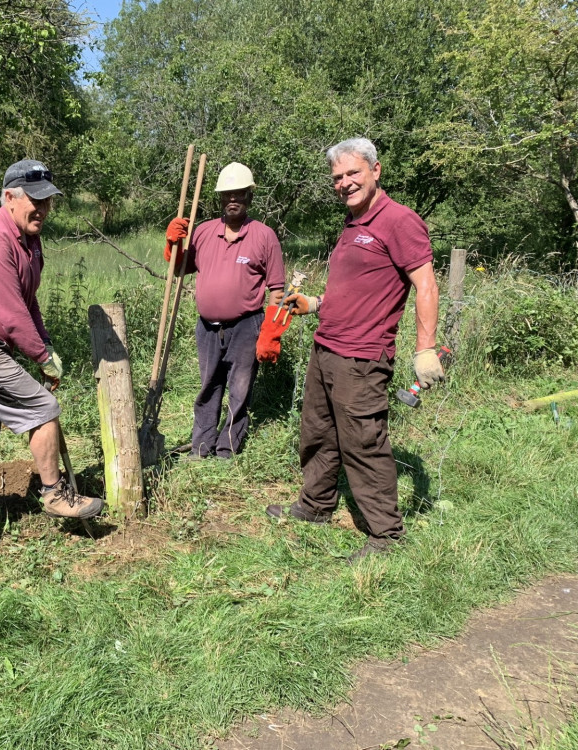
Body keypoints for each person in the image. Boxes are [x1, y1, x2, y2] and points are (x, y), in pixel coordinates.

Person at [265, 137, 445, 561]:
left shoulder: (399, 221)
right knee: (318, 434)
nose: (345, 183)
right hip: (326, 347)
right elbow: (356, 291)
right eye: (338, 177)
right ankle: (315, 506)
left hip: (362, 358)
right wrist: (314, 305)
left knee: (363, 442)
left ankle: (386, 535)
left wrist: (426, 348)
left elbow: (426, 285)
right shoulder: (352, 224)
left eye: (353, 173)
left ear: (376, 171)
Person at [0, 159, 103, 553]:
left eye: (48, 201)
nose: (43, 210)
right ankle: (55, 494)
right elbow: (11, 316)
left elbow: (29, 304)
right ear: (9, 197)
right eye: (35, 200)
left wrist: (45, 347)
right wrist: (41, 357)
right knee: (43, 409)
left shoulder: (28, 237)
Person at [165, 162, 285, 459]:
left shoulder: (264, 236)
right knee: (208, 387)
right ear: (220, 198)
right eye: (227, 195)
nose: (233, 200)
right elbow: (178, 269)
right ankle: (201, 445)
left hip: (246, 326)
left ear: (249, 198)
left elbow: (278, 291)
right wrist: (173, 244)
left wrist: (271, 332)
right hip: (207, 327)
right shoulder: (203, 232)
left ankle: (226, 448)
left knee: (239, 389)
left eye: (239, 194)